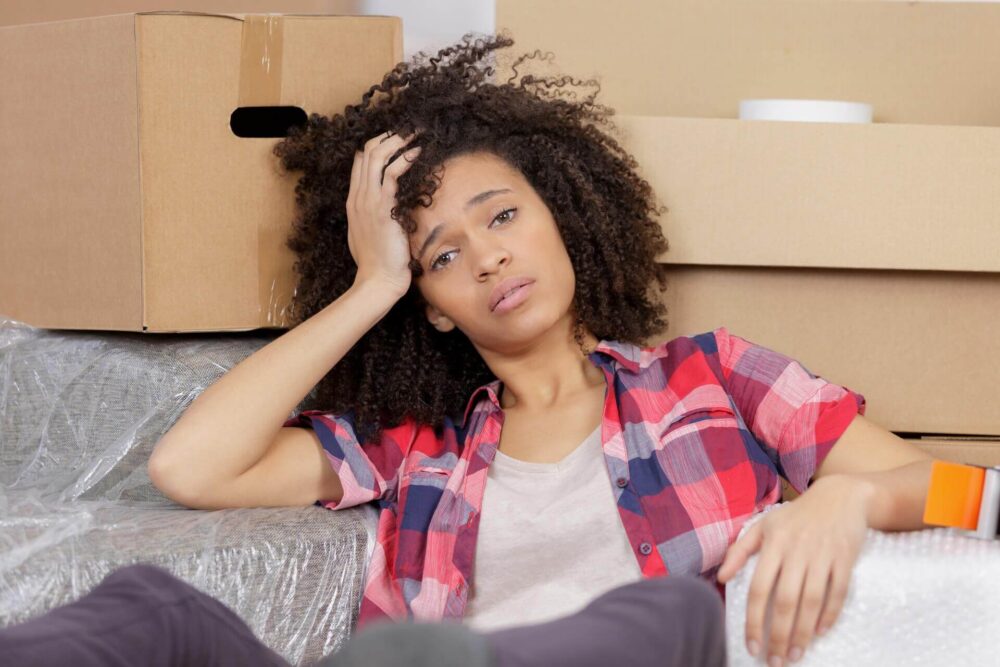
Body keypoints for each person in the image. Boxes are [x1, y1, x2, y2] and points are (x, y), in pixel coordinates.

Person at [1, 31, 936, 667]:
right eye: (443, 254)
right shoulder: (415, 445)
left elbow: (978, 495)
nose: (486, 254)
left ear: (561, 219)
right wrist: (372, 286)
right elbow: (189, 466)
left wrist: (848, 497)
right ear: (434, 303)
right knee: (153, 607)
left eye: (502, 215)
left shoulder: (715, 377)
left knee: (675, 614)